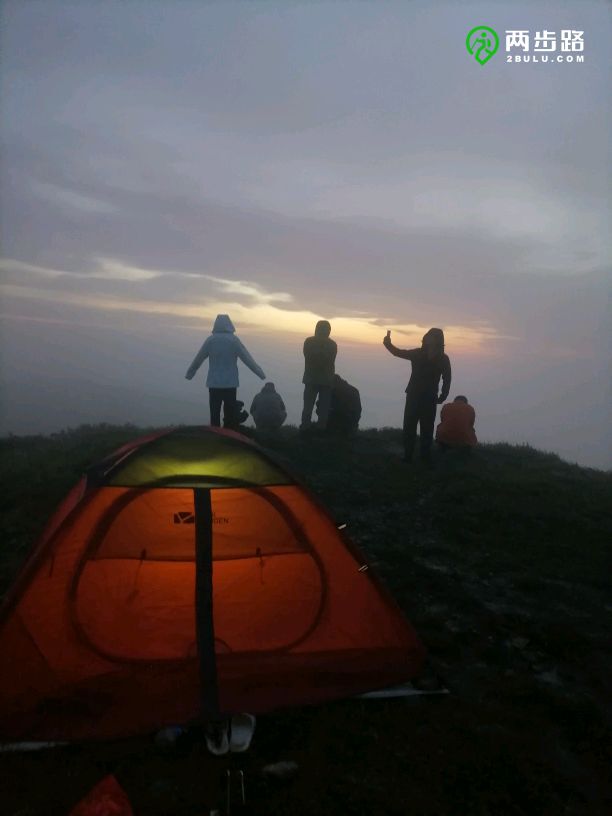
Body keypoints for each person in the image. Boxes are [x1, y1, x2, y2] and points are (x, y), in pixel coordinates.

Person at [383, 327, 451, 462]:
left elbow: (447, 378)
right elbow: (398, 352)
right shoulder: (420, 354)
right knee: (409, 426)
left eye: (432, 336)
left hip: (428, 397)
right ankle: (408, 456)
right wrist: (388, 344)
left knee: (426, 429)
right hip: (415, 395)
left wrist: (443, 395)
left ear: (437, 340)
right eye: (429, 335)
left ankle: (424, 458)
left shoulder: (442, 358)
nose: (428, 337)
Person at [185, 314, 265, 428]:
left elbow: (198, 359)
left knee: (214, 413)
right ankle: (229, 436)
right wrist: (260, 374)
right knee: (230, 415)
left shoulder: (210, 340)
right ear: (230, 324)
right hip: (230, 384)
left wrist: (190, 374)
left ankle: (215, 436)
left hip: (214, 384)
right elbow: (247, 359)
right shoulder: (234, 341)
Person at [301, 320, 337, 430]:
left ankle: (305, 428)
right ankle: (320, 429)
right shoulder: (332, 344)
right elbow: (330, 359)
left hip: (311, 379)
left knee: (308, 406)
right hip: (325, 381)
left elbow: (308, 356)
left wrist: (317, 355)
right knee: (323, 408)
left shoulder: (308, 341)